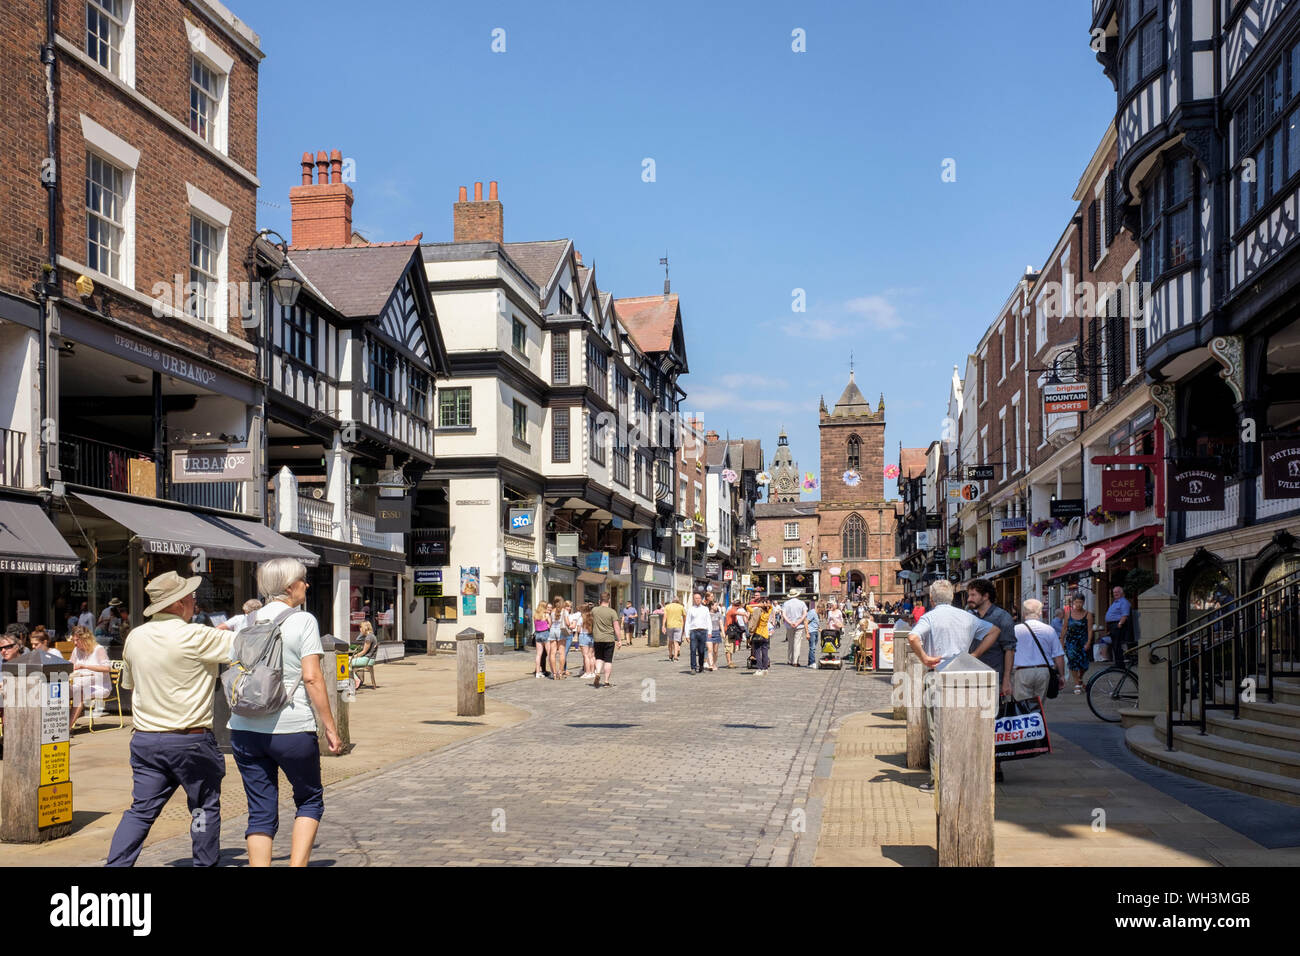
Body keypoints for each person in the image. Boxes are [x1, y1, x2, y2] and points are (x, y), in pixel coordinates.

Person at [106, 571, 235, 868]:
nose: (195, 602)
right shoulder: (196, 635)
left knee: (140, 811)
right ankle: (204, 863)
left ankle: (116, 866)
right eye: (191, 597)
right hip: (190, 740)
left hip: (146, 739)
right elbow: (249, 647)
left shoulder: (135, 637)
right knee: (203, 807)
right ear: (178, 603)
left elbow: (129, 685)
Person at [228, 557, 342, 867]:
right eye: (303, 580)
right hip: (291, 728)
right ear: (290, 587)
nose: (306, 585)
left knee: (260, 810)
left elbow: (232, 669)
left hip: (244, 729)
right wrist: (330, 727)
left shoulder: (244, 621)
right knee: (308, 799)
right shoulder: (303, 620)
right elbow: (312, 677)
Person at [906, 580, 994, 794]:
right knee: (964, 727)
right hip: (964, 676)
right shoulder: (967, 617)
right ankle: (964, 776)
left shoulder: (930, 616)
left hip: (938, 673)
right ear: (953, 597)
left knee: (938, 728)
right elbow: (994, 631)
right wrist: (974, 655)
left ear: (933, 598)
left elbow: (912, 636)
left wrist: (925, 658)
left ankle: (938, 779)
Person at [966, 579, 1016, 699]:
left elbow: (1009, 649)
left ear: (985, 596)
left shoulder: (1002, 617)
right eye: (969, 595)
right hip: (972, 677)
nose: (969, 599)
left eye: (973, 595)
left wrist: (1006, 680)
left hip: (994, 678)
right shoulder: (970, 616)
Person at [1012, 599, 1067, 702]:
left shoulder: (1016, 630)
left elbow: (1009, 652)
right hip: (1043, 671)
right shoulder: (1049, 629)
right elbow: (1058, 655)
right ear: (1040, 613)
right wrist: (1062, 675)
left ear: (1024, 613)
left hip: (1022, 671)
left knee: (1022, 707)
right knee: (1038, 706)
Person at [69, 627, 112, 727]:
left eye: (77, 640)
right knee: (62, 692)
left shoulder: (98, 649)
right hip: (80, 684)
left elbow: (107, 668)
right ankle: (61, 724)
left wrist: (84, 666)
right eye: (73, 640)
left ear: (85, 639)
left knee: (79, 694)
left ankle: (68, 728)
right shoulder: (76, 650)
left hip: (100, 686)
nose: (75, 643)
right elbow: (70, 665)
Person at [1062, 594, 1094, 694]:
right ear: (1073, 603)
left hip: (1083, 641)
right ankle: (1076, 684)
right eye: (1076, 602)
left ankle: (1080, 678)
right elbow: (1065, 628)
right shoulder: (1068, 613)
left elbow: (1090, 630)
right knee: (1072, 661)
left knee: (1084, 665)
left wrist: (1088, 642)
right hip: (1071, 642)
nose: (1078, 604)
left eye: (1080, 602)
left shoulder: (1088, 614)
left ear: (1083, 602)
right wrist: (1061, 640)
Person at [590, 591, 622, 689]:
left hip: (597, 638)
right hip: (609, 639)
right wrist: (619, 640)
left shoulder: (594, 610)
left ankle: (598, 673)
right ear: (609, 600)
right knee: (608, 660)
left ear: (600, 600)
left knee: (599, 658)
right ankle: (606, 682)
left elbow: (590, 621)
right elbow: (616, 627)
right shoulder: (612, 612)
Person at [685, 592, 712, 674]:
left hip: (703, 631)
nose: (697, 600)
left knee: (701, 651)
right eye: (696, 598)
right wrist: (687, 634)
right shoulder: (690, 609)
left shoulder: (705, 609)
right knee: (693, 650)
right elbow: (687, 622)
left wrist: (709, 631)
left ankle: (701, 666)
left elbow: (708, 621)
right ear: (693, 600)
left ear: (701, 599)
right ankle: (693, 668)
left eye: (699, 598)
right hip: (693, 631)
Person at [1105, 585, 1134, 663]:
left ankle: (1120, 664)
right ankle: (1117, 662)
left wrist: (1120, 624)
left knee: (1117, 645)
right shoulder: (1115, 602)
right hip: (1112, 625)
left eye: (1117, 592)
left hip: (1118, 625)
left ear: (1121, 593)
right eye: (1114, 592)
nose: (1115, 594)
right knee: (1115, 645)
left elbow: (1125, 615)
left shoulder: (1123, 602)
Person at [746, 596, 774, 675]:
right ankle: (765, 668)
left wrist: (758, 605)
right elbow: (771, 606)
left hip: (758, 634)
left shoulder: (757, 612)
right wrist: (764, 605)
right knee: (765, 652)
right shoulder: (768, 612)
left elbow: (747, 606)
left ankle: (759, 668)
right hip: (765, 634)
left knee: (757, 652)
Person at [782, 592, 808, 667]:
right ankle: (795, 661)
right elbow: (804, 614)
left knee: (790, 642)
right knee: (797, 643)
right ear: (797, 595)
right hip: (799, 625)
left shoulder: (786, 603)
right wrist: (798, 622)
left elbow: (784, 614)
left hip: (789, 625)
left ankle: (789, 660)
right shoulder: (802, 603)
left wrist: (790, 622)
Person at [352, 620, 380, 690]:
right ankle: (358, 680)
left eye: (361, 627)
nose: (360, 629)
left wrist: (354, 656)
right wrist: (362, 633)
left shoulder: (368, 638)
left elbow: (364, 652)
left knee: (346, 664)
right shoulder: (372, 636)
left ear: (365, 627)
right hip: (370, 659)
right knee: (350, 663)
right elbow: (358, 639)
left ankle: (356, 680)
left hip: (367, 659)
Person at [662, 595, 686, 662]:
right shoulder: (681, 607)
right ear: (678, 600)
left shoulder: (667, 607)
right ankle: (675, 656)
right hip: (678, 626)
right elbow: (684, 616)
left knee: (670, 641)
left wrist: (663, 626)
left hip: (669, 626)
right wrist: (684, 624)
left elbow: (664, 617)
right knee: (676, 642)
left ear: (672, 600)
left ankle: (670, 655)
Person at [533, 600, 552, 679]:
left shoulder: (535, 615)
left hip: (538, 634)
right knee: (549, 653)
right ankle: (552, 671)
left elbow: (535, 625)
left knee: (538, 654)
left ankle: (537, 672)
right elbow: (550, 625)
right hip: (545, 633)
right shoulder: (546, 615)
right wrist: (547, 625)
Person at [575, 602, 595, 679]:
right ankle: (593, 672)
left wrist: (576, 635)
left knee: (585, 656)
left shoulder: (581, 618)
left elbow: (579, 629)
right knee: (592, 656)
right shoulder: (592, 617)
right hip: (591, 636)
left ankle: (587, 672)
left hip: (583, 635)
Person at [706, 596, 723, 671]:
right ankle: (710, 664)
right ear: (712, 606)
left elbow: (721, 623)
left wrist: (723, 632)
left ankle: (714, 664)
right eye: (716, 605)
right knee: (710, 649)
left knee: (715, 651)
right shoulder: (706, 614)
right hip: (708, 633)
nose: (717, 607)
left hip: (716, 633)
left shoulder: (718, 614)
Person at [724, 601, 743, 669]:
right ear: (737, 606)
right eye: (738, 607)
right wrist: (745, 614)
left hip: (732, 632)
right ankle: (729, 662)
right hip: (729, 632)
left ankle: (730, 662)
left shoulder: (733, 611)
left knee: (731, 648)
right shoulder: (731, 610)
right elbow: (736, 613)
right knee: (728, 647)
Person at [806, 601, 821, 668]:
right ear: (819, 608)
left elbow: (815, 623)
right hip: (811, 632)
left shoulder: (816, 614)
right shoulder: (812, 612)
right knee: (812, 648)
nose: (821, 612)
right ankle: (812, 662)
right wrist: (807, 633)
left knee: (813, 648)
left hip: (815, 632)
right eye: (821, 611)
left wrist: (819, 629)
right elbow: (806, 622)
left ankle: (809, 663)